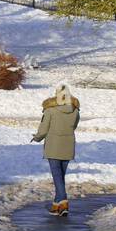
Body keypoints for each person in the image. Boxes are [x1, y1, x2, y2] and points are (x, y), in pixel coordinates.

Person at [31, 83, 80, 215]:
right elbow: (73, 126)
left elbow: (43, 129)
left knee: (57, 176)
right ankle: (56, 205)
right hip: (68, 145)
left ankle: (63, 203)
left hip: (53, 146)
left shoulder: (50, 110)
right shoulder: (75, 111)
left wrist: (36, 138)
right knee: (61, 177)